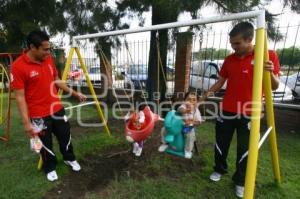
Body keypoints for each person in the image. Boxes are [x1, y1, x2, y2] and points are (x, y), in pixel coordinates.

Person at [204, 22, 280, 198]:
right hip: (227, 109)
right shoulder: (230, 59)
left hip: (250, 111)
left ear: (250, 39)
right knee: (221, 142)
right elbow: (220, 82)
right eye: (232, 44)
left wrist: (271, 73)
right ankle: (219, 169)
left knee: (245, 148)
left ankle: (240, 181)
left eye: (237, 43)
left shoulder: (268, 55)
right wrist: (203, 97)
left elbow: (274, 87)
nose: (234, 47)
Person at [11, 30, 87, 182]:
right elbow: (19, 97)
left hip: (57, 109)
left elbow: (57, 79)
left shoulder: (48, 59)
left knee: (65, 137)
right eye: (45, 49)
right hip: (38, 115)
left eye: (49, 48)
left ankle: (69, 158)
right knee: (44, 145)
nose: (48, 52)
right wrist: (27, 124)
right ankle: (50, 167)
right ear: (33, 47)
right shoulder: (18, 67)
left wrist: (74, 93)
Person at [158, 92, 202, 159]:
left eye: (194, 100)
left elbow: (199, 121)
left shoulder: (196, 111)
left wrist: (192, 122)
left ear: (196, 102)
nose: (191, 101)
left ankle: (187, 150)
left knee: (190, 135)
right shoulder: (183, 106)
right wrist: (185, 111)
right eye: (189, 99)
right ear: (185, 100)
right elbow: (179, 110)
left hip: (188, 127)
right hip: (178, 125)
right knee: (164, 129)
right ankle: (165, 143)